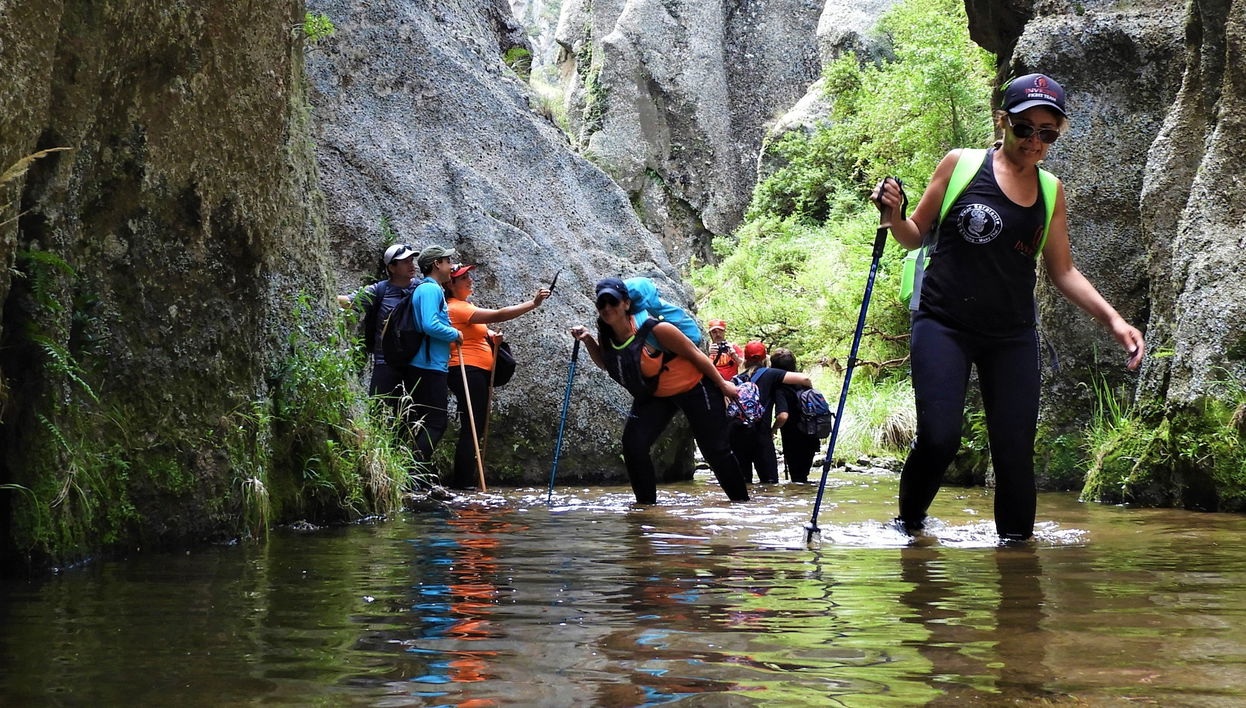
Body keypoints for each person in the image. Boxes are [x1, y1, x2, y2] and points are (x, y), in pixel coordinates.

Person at [870, 73, 1145, 541]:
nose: (1034, 141)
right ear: (1004, 121)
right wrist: (893, 215)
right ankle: (909, 527)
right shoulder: (960, 166)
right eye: (1025, 128)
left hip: (1011, 335)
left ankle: (1018, 562)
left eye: (1047, 133)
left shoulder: (1052, 191)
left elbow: (1063, 272)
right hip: (942, 322)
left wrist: (1115, 320)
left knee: (1014, 451)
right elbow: (915, 234)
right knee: (940, 439)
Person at [570, 278, 750, 504]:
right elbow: (606, 364)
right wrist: (587, 339)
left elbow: (696, 355)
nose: (607, 308)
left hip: (695, 386)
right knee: (633, 444)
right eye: (602, 304)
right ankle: (645, 508)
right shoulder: (606, 334)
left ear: (626, 304)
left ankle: (741, 504)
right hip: (657, 394)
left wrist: (723, 385)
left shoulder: (657, 329)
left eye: (612, 302)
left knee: (714, 450)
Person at [444, 263, 551, 488]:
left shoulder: (465, 305)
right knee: (473, 424)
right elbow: (499, 314)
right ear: (450, 284)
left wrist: (492, 337)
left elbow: (480, 332)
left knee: (476, 424)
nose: (469, 280)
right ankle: (462, 482)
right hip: (466, 370)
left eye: (468, 276)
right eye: (463, 278)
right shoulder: (456, 307)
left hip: (476, 371)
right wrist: (533, 303)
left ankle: (465, 480)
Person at [337, 243, 418, 408]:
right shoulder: (378, 290)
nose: (411, 264)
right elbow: (350, 301)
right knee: (378, 409)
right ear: (392, 268)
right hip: (385, 361)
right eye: (405, 261)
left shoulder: (422, 288)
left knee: (412, 415)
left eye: (412, 260)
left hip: (416, 362)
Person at [406, 244, 464, 464]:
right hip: (428, 366)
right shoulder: (430, 289)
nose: (451, 266)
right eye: (447, 261)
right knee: (436, 423)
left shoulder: (427, 289)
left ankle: (415, 473)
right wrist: (454, 333)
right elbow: (429, 324)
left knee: (425, 421)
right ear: (436, 264)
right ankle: (414, 473)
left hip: (428, 364)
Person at [728, 341, 812, 484]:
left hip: (737, 434)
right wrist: (809, 390)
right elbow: (804, 379)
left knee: (743, 483)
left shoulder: (736, 380)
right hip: (761, 435)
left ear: (746, 359)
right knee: (769, 483)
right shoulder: (771, 374)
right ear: (764, 359)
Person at [770, 348, 820, 484]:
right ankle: (806, 498)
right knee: (803, 477)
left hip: (794, 438)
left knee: (797, 480)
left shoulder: (781, 388)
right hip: (811, 434)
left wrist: (773, 429)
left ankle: (799, 499)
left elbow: (783, 416)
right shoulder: (804, 384)